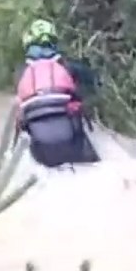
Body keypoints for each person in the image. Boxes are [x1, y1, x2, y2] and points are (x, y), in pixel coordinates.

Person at [12, 19, 100, 168]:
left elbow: (19, 105)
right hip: (71, 135)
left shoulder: (20, 72)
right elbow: (93, 81)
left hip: (39, 142)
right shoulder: (68, 66)